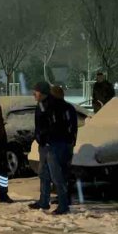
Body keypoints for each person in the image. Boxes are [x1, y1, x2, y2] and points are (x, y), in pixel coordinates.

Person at [31, 81, 79, 215]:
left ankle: (63, 204)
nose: (34, 94)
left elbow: (58, 127)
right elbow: (40, 125)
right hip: (46, 145)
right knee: (44, 173)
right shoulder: (41, 106)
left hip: (54, 145)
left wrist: (48, 137)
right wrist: (40, 137)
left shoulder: (55, 106)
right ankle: (44, 200)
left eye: (36, 91)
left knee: (57, 175)